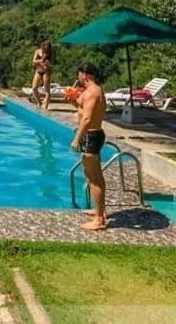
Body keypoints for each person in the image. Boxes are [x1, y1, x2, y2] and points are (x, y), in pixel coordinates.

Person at [71, 62, 107, 231]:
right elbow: (80, 105)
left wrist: (77, 139)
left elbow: (86, 119)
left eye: (79, 75)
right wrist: (72, 98)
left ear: (84, 75)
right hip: (93, 135)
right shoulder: (92, 91)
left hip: (90, 136)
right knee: (93, 176)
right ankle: (100, 211)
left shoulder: (92, 92)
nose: (78, 78)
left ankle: (99, 220)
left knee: (93, 178)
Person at [30, 39, 54, 110]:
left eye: (48, 46)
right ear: (43, 45)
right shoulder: (37, 51)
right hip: (38, 71)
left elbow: (52, 64)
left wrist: (47, 63)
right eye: (45, 46)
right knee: (34, 88)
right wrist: (41, 60)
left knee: (47, 89)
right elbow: (34, 61)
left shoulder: (51, 52)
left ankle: (46, 106)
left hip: (46, 71)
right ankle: (39, 102)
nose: (46, 48)